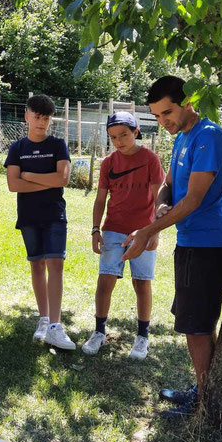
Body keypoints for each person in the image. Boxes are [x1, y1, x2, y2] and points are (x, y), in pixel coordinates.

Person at [122, 76, 222, 418]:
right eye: (156, 116)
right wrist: (159, 206)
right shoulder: (182, 139)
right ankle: (202, 392)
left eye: (167, 112)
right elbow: (168, 188)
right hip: (190, 244)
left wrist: (147, 232)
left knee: (197, 328)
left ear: (188, 102)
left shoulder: (208, 136)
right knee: (195, 325)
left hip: (207, 246)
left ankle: (204, 406)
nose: (163, 121)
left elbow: (193, 200)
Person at [83, 111, 165, 360]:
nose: (119, 141)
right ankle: (99, 332)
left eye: (124, 135)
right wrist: (96, 229)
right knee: (105, 281)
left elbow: (159, 198)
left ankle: (142, 338)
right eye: (113, 137)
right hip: (113, 228)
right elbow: (100, 199)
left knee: (141, 282)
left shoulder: (151, 159)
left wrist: (154, 231)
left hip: (143, 230)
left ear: (136, 132)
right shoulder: (109, 163)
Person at [5, 94, 73, 350]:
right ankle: (43, 320)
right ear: (27, 117)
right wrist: (47, 178)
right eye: (37, 117)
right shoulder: (17, 149)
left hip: (54, 214)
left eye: (46, 118)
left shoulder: (58, 145)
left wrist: (31, 175)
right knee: (37, 265)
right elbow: (13, 184)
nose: (41, 122)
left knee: (56, 264)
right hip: (29, 216)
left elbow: (63, 179)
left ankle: (56, 326)